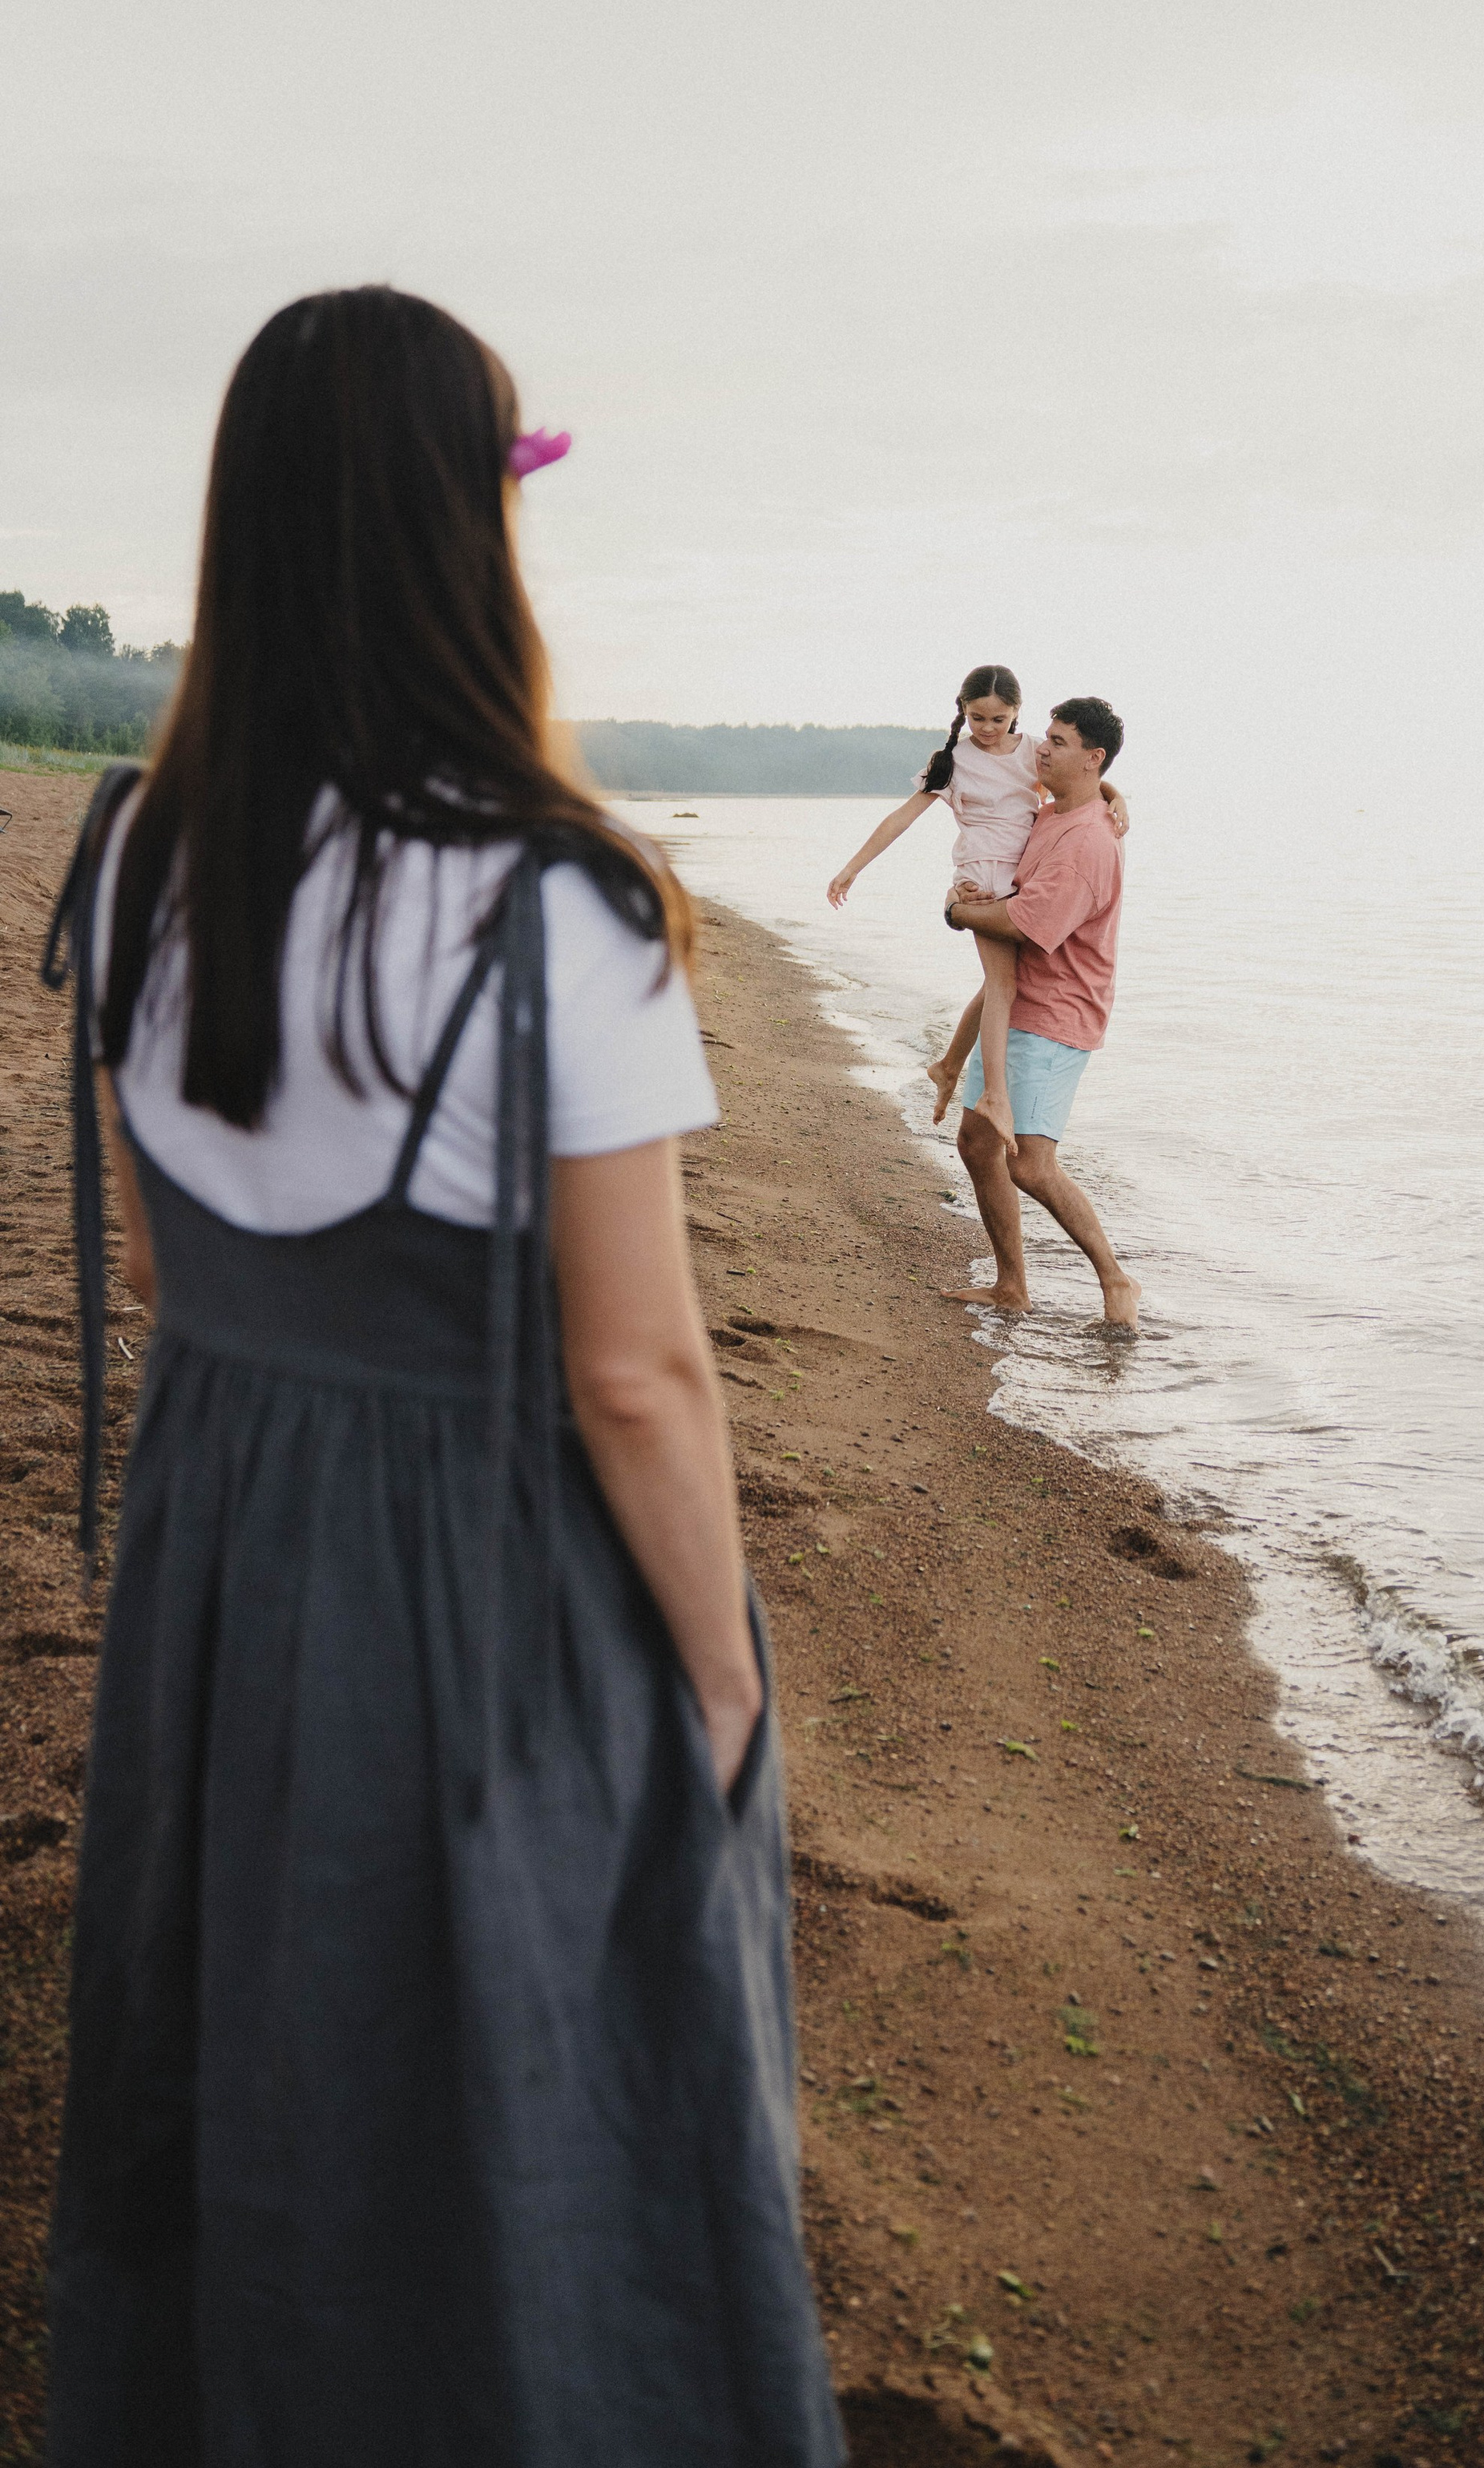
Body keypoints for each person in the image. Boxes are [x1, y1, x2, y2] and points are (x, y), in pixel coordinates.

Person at [38, 289, 842, 2468]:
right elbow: (639, 1370)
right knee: (538, 2069)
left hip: (222, 1549)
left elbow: (150, 1252)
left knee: (251, 2054)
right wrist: (725, 1670)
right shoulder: (550, 903)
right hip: (479, 1563)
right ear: (470, 531)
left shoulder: (129, 852)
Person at [825, 664, 1126, 1150]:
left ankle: (947, 1067)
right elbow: (902, 817)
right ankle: (996, 1099)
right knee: (1005, 987)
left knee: (996, 985)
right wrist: (852, 868)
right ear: (962, 711)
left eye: (999, 719)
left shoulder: (1032, 751)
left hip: (1022, 872)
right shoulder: (953, 760)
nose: (987, 729)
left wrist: (1118, 799)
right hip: (983, 879)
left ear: (1016, 715)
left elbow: (1083, 780)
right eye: (977, 717)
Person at [939, 696, 1139, 1330]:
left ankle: (1116, 1278)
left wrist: (957, 911)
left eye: (1057, 741)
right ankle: (1011, 1286)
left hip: (1057, 1014)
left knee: (1030, 1163)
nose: (1042, 748)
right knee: (977, 1143)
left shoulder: (1088, 843)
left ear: (1092, 757)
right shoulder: (1053, 813)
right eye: (1045, 737)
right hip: (1019, 1004)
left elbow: (1028, 925)